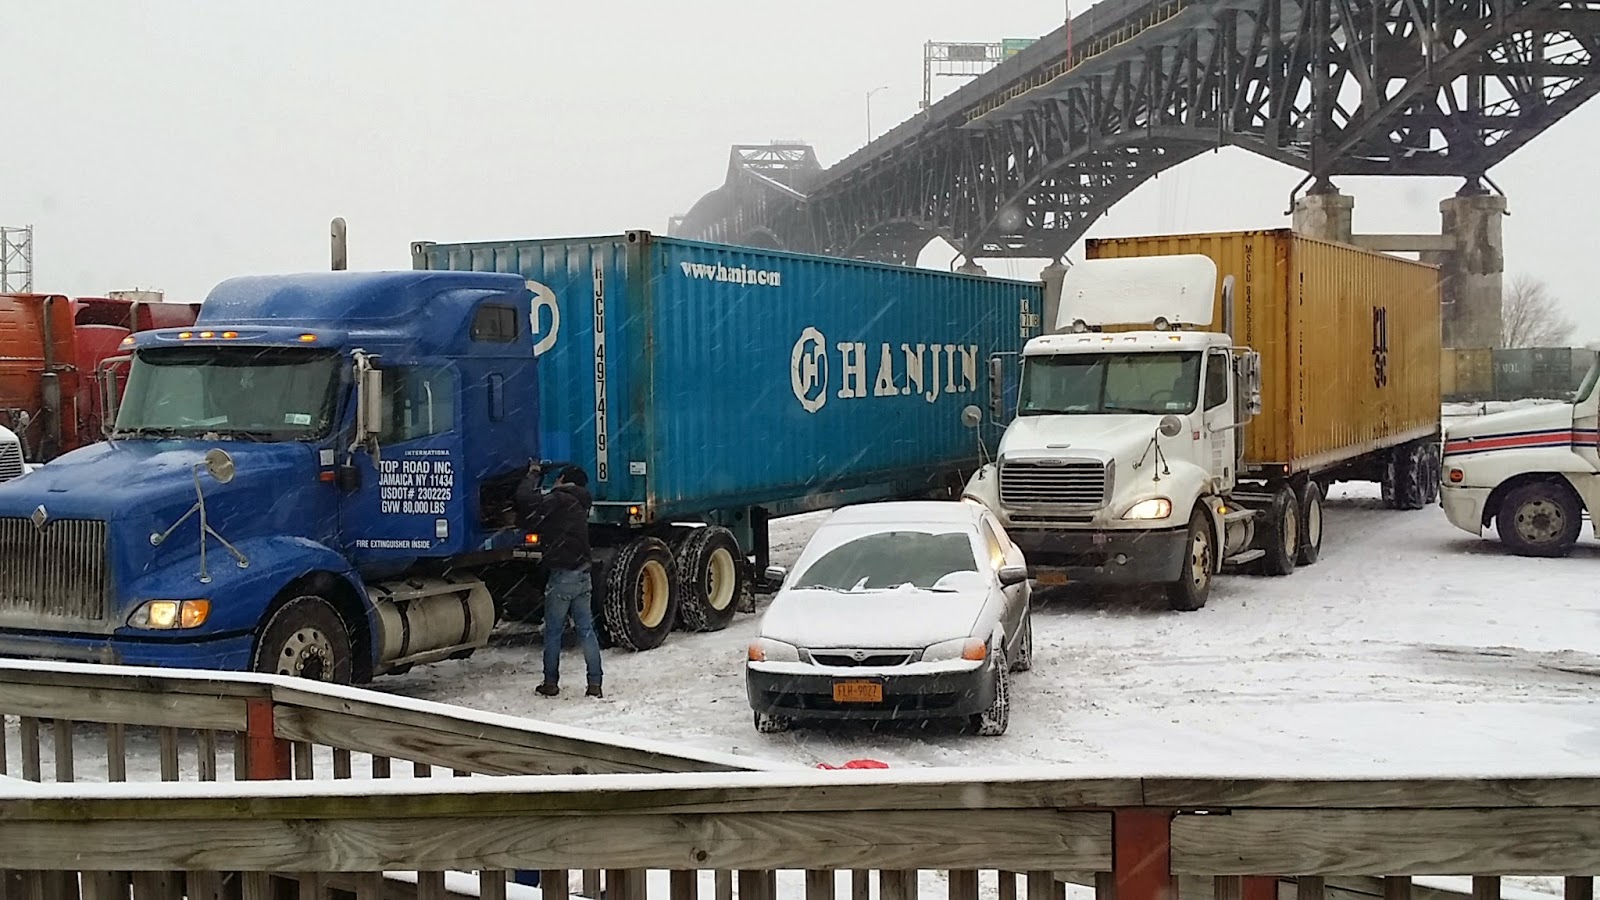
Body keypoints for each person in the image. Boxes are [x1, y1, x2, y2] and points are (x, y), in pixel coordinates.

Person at [514, 462, 603, 698]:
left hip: (563, 575)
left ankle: (550, 683)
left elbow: (526, 500)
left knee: (553, 630)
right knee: (586, 630)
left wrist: (533, 473)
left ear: (562, 479)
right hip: (583, 573)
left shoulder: (560, 499)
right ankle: (595, 684)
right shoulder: (581, 501)